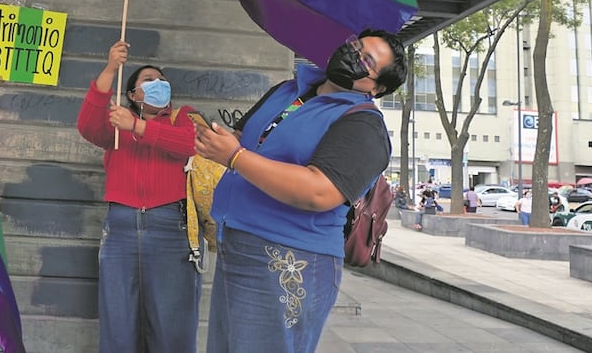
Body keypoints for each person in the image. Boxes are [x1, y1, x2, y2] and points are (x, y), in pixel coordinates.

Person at [193, 29, 406, 353]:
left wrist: (235, 157)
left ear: (375, 87)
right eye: (355, 45)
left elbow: (319, 191)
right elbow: (246, 138)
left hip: (289, 256)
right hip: (236, 242)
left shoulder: (363, 125)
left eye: (366, 60)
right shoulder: (288, 91)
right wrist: (216, 140)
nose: (352, 55)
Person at [76, 40, 200, 352]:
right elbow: (88, 126)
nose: (158, 84)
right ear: (132, 94)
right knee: (118, 318)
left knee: (172, 319)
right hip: (120, 227)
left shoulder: (182, 116)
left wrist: (141, 126)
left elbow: (189, 145)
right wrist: (110, 69)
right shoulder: (118, 123)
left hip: (170, 226)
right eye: (148, 80)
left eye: (162, 80)